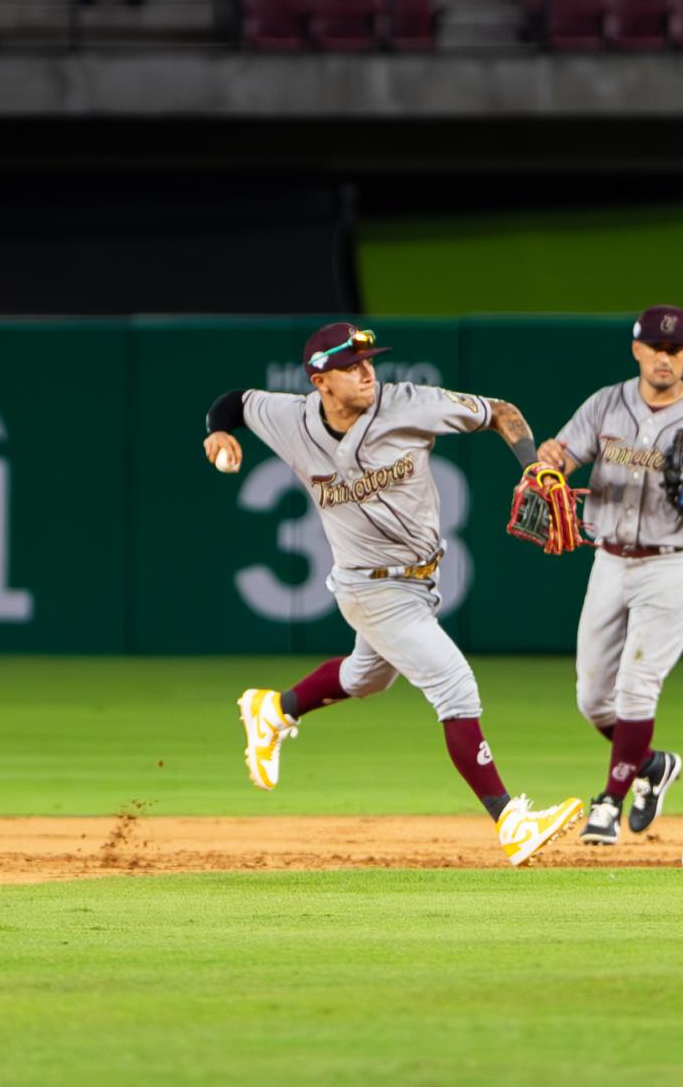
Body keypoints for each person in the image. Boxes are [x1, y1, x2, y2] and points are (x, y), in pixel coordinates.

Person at [202, 322, 586, 867]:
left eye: (369, 361)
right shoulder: (289, 418)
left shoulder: (409, 404)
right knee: (454, 684)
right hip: (368, 587)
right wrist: (218, 431)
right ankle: (512, 822)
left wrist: (535, 466)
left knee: (366, 677)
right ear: (320, 381)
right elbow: (234, 402)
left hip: (420, 580)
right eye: (350, 365)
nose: (366, 372)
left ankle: (273, 710)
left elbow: (504, 411)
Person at [536, 305, 683, 845]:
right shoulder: (606, 403)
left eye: (675, 349)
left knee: (637, 687)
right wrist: (550, 458)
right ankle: (650, 765)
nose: (665, 357)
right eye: (656, 348)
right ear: (636, 349)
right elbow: (564, 455)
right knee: (592, 698)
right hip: (609, 558)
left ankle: (608, 803)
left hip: (675, 562)